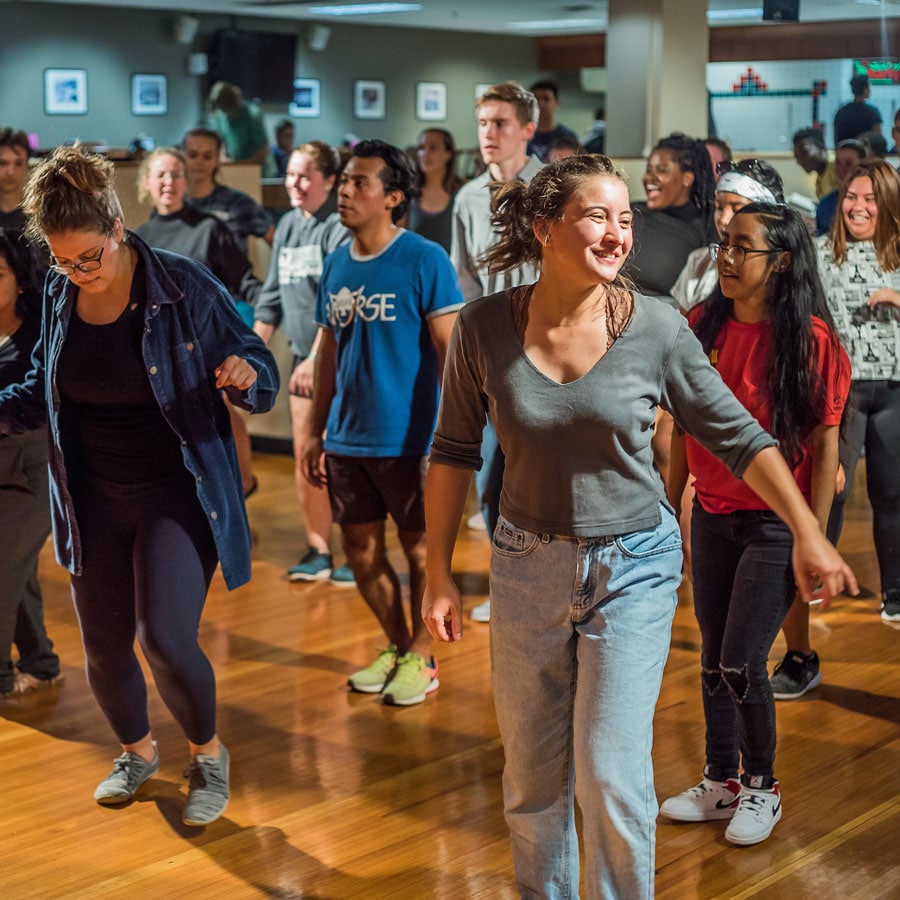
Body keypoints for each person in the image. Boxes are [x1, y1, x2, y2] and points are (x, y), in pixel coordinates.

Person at [421, 154, 856, 898]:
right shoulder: (487, 327)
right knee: (531, 776)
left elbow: (740, 436)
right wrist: (436, 573)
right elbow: (453, 451)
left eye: (625, 218)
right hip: (527, 561)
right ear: (544, 227)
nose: (618, 233)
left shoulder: (654, 325)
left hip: (633, 563)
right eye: (598, 215)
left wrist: (808, 532)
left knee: (610, 770)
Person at [2, 143, 278, 825]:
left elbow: (255, 359)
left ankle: (208, 755)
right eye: (63, 262)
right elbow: (43, 388)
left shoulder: (182, 285)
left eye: (88, 257)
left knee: (164, 637)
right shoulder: (62, 294)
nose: (78, 273)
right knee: (101, 643)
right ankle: (135, 751)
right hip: (93, 495)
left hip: (175, 493)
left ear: (118, 226)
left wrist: (247, 379)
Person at [661, 203, 851, 847]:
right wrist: (671, 502)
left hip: (774, 526)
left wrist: (812, 535)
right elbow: (683, 427)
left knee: (744, 660)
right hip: (713, 517)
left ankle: (762, 786)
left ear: (783, 262)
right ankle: (720, 781)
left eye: (744, 247)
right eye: (725, 245)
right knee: (714, 657)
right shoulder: (698, 325)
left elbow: (826, 449)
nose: (727, 258)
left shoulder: (812, 341)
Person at [302, 140, 462, 706]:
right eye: (343, 181)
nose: (345, 191)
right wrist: (314, 430)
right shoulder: (338, 261)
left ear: (393, 197)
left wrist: (449, 439)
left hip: (411, 440)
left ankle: (424, 654)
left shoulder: (424, 259)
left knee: (422, 553)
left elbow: (453, 355)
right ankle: (397, 646)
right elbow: (328, 354)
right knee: (361, 553)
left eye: (360, 183)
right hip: (347, 437)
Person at [450, 81, 543, 623]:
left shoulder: (552, 189)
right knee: (491, 480)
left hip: (550, 359)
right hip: (492, 361)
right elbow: (464, 283)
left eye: (501, 123)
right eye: (483, 123)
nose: (489, 133)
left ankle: (546, 584)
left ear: (527, 129)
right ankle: (508, 583)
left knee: (543, 478)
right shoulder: (467, 198)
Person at [253, 141, 354, 585]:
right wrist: (251, 354)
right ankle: (318, 550)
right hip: (302, 359)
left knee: (339, 458)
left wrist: (316, 358)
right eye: (291, 174)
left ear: (329, 181)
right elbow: (271, 297)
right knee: (305, 455)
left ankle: (356, 551)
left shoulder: (339, 228)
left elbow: (338, 302)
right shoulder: (288, 225)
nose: (295, 183)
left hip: (341, 361)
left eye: (305, 175)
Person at [136, 148, 263, 496]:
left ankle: (241, 491)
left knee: (221, 410)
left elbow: (245, 281)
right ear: (147, 182)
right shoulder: (140, 238)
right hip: (163, 352)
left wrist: (261, 324)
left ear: (186, 181)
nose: (168, 182)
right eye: (160, 174)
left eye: (176, 174)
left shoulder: (210, 229)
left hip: (208, 343)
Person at [816, 159, 900, 625]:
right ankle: (816, 576)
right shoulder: (820, 254)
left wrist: (895, 297)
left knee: (892, 495)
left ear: (887, 205)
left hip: (893, 390)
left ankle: (895, 593)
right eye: (851, 197)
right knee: (830, 490)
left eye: (869, 199)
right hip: (838, 393)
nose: (858, 207)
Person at [0, 235, 63, 698]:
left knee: (3, 563)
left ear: (21, 282)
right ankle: (40, 661)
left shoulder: (39, 334)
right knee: (14, 565)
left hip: (33, 466)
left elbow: (42, 402)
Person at [672, 158, 785, 313]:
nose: (723, 220)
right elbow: (685, 327)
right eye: (719, 207)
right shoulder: (699, 262)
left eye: (737, 208)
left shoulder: (779, 269)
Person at [622, 132, 718, 300]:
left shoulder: (706, 226)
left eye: (661, 170)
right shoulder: (630, 212)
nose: (649, 178)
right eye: (648, 169)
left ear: (687, 178)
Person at [183, 128, 274, 254]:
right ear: (183, 157)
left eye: (207, 156)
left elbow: (275, 239)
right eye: (193, 155)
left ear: (217, 160)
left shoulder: (238, 203)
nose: (199, 162)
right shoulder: (176, 204)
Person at [406, 128, 463, 254]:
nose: (425, 154)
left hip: (450, 270)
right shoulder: (409, 193)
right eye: (421, 148)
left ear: (448, 154)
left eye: (433, 148)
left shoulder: (462, 195)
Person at [0, 128, 45, 284]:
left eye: (18, 163)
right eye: (3, 163)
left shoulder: (41, 216)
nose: (10, 171)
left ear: (27, 165)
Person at [207, 81, 272, 170]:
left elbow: (263, 148)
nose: (224, 113)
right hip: (233, 168)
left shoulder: (252, 115)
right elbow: (219, 141)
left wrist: (244, 166)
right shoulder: (219, 115)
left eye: (226, 109)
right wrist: (223, 159)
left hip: (256, 170)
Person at [815, 139, 868, 237]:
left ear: (863, 166)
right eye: (838, 163)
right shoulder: (826, 203)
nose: (842, 169)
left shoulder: (876, 202)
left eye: (848, 163)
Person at [526, 79, 578, 163]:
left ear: (557, 102)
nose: (541, 103)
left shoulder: (567, 136)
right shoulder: (522, 135)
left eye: (546, 99)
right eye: (536, 99)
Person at [833, 75, 883, 146]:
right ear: (865, 90)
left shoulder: (841, 112)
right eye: (868, 87)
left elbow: (836, 139)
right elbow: (878, 140)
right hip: (866, 155)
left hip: (845, 154)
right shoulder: (872, 113)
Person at [793, 127, 839, 199]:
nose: (799, 161)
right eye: (796, 156)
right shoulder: (819, 177)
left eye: (804, 153)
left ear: (821, 147)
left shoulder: (837, 166)